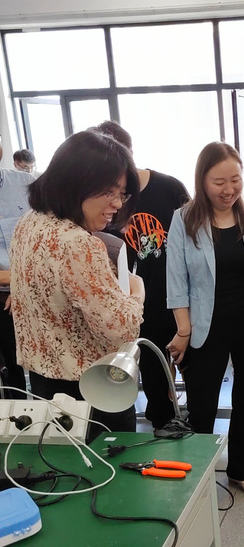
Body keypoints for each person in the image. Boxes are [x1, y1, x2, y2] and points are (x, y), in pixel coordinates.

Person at [166, 142, 244, 499]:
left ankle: (242, 471)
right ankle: (200, 479)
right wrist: (183, 330)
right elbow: (177, 282)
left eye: (235, 179)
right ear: (202, 181)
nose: (228, 189)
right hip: (206, 328)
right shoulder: (184, 219)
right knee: (201, 408)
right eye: (219, 182)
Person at [10, 130, 144, 437]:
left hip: (44, 382)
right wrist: (137, 291)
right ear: (76, 182)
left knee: (63, 459)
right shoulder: (78, 244)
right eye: (109, 192)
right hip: (94, 389)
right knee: (110, 462)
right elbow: (122, 328)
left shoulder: (29, 223)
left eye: (122, 194)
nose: (117, 204)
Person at [94, 121, 189, 430]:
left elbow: (197, 236)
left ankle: (197, 424)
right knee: (153, 373)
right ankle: (162, 424)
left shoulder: (169, 188)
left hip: (180, 298)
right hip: (138, 305)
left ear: (130, 152)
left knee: (195, 370)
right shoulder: (104, 200)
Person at [0, 167, 31, 397]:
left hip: (22, 294)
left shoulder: (27, 184)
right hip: (12, 286)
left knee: (17, 365)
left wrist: (20, 283)